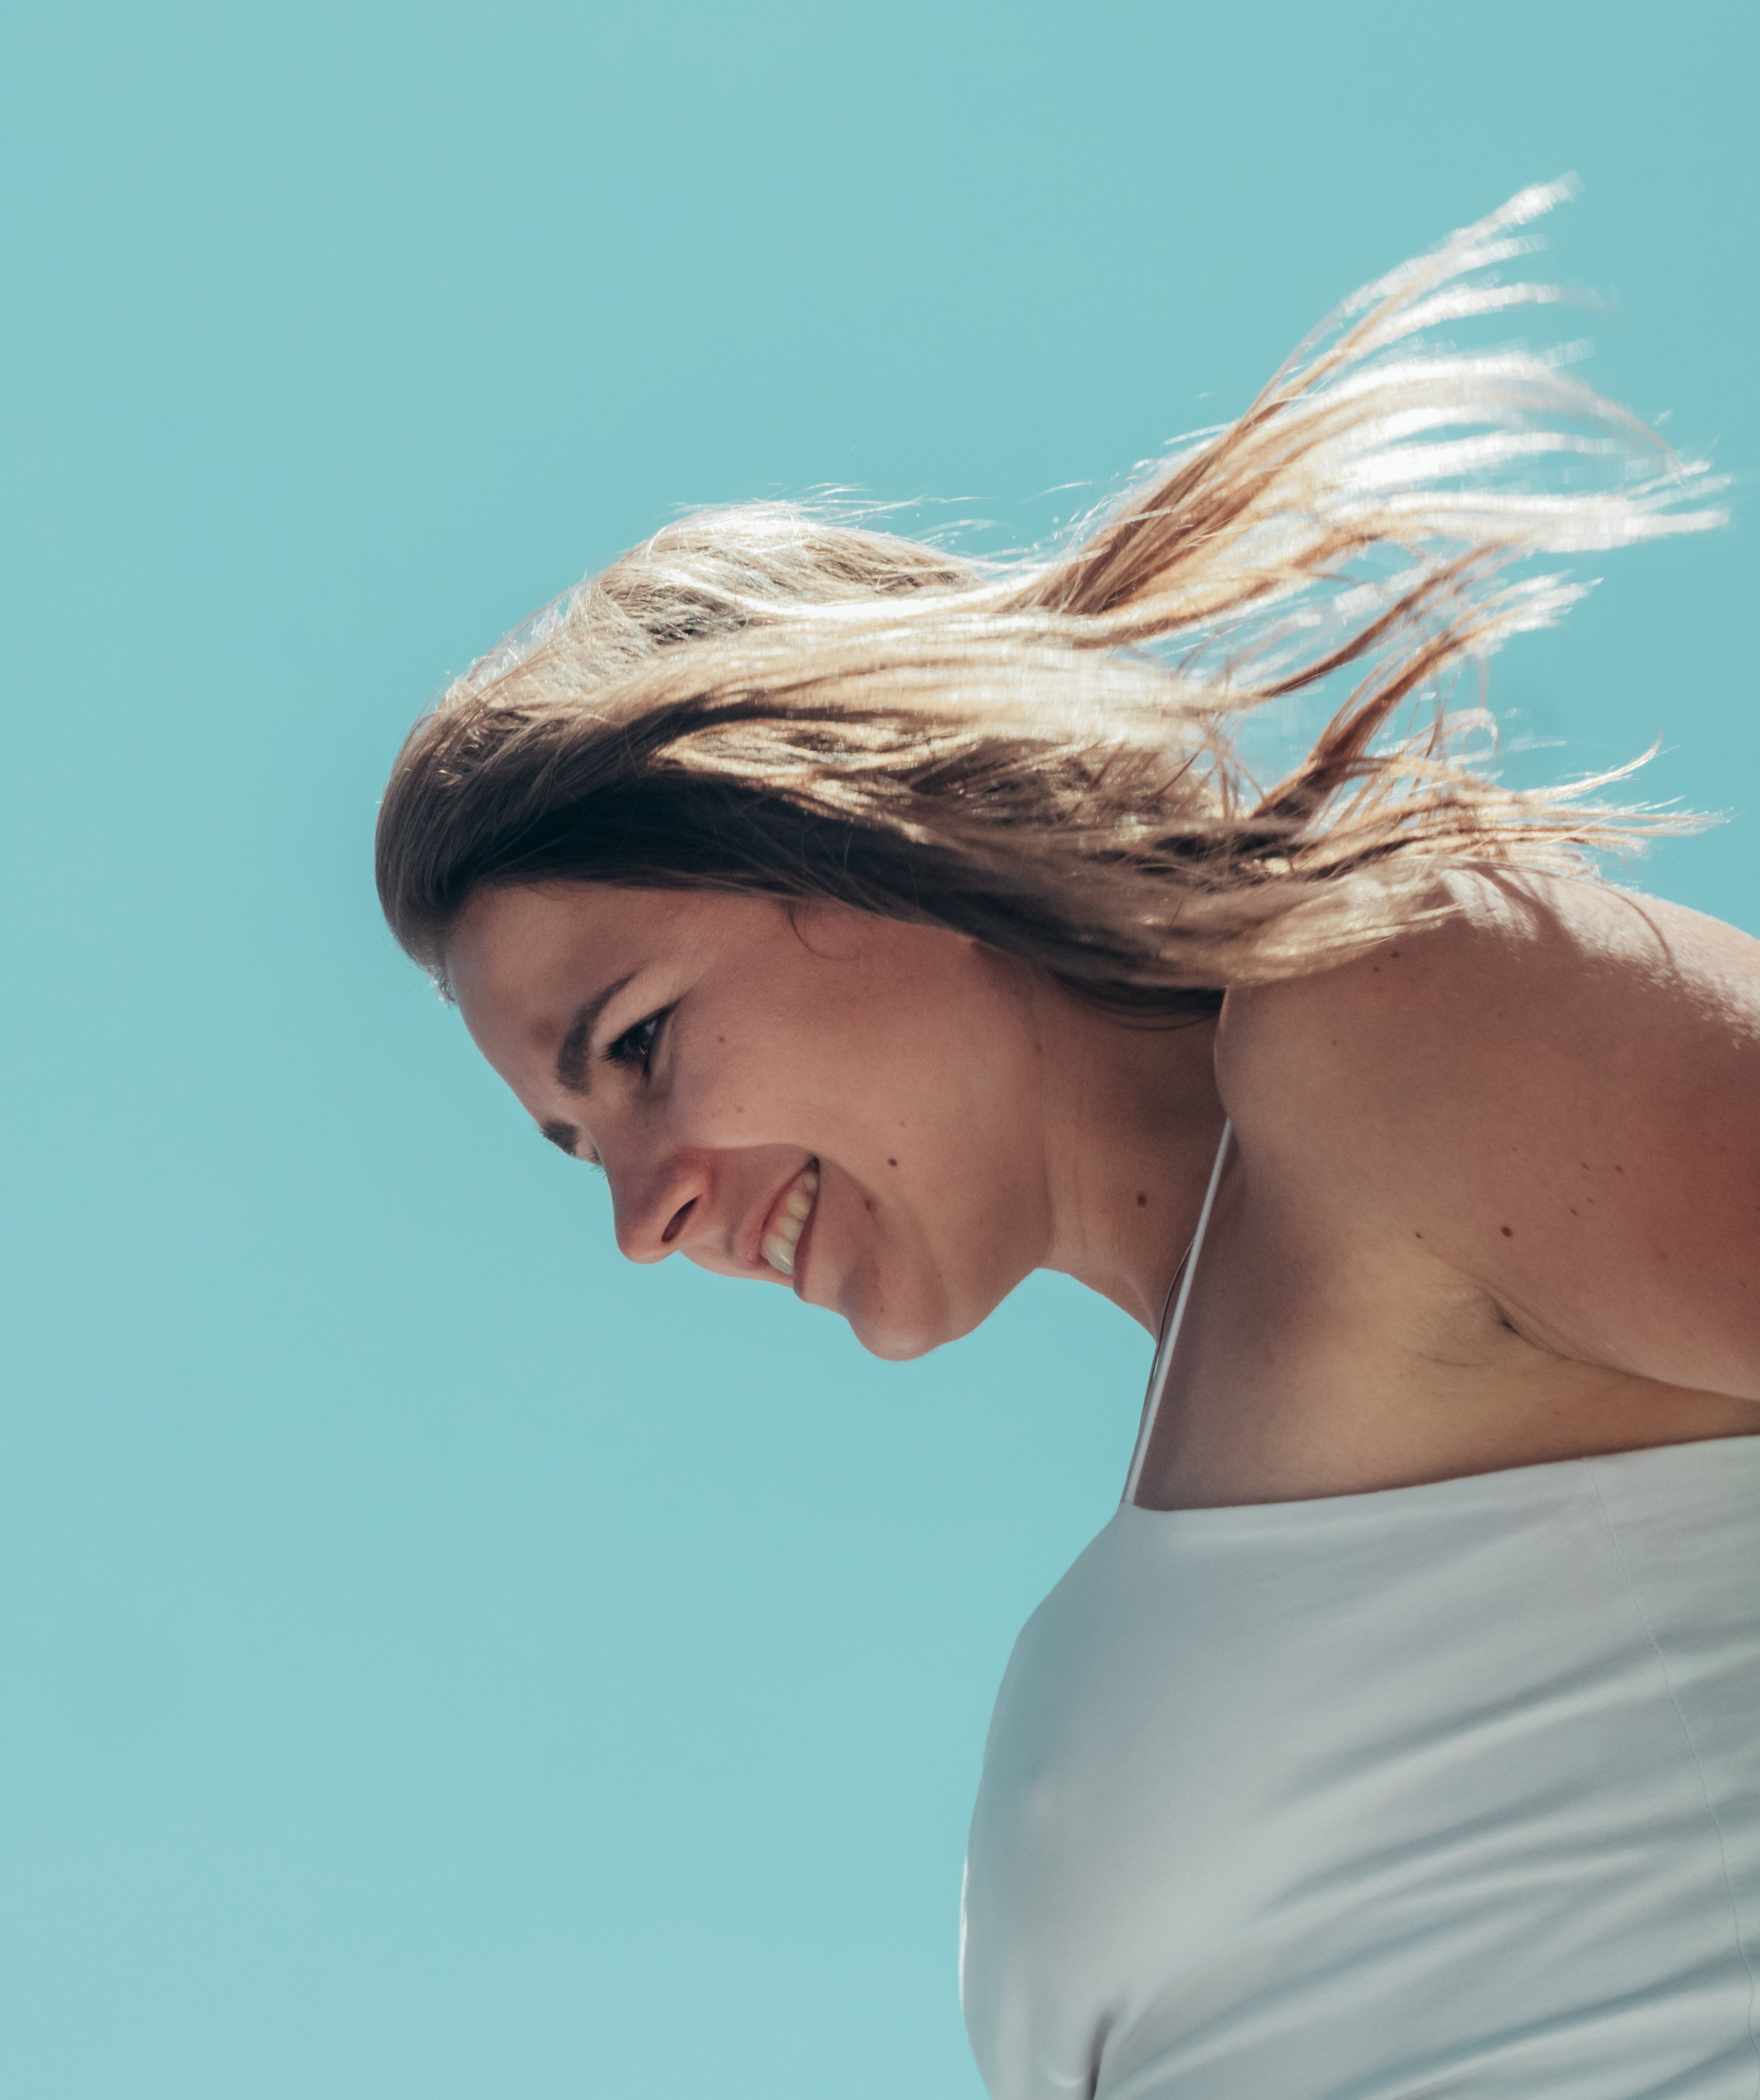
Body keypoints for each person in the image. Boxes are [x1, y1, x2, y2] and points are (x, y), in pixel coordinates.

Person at [375, 185, 1759, 2099]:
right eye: (573, 1146)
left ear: (864, 834)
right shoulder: (1211, 1453)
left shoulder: (1389, 1024)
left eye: (638, 1047)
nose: (644, 1213)